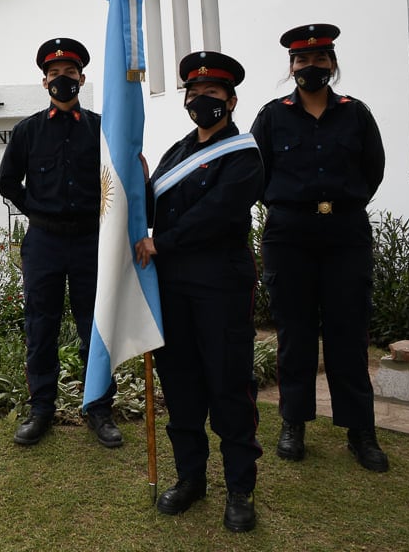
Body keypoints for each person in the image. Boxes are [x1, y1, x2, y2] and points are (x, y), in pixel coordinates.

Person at [135, 51, 264, 533]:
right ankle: (191, 478)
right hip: (172, 288)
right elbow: (152, 199)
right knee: (182, 386)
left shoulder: (245, 154)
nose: (201, 100)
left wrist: (160, 242)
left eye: (212, 93)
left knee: (229, 386)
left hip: (220, 287)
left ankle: (240, 490)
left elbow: (218, 214)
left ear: (230, 100)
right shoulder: (176, 152)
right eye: (195, 93)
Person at [250, 24, 388, 473]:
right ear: (291, 67)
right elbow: (255, 172)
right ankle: (294, 423)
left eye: (320, 59)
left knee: (349, 332)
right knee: (295, 333)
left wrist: (340, 206)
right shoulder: (271, 117)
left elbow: (374, 170)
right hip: (289, 235)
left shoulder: (356, 113)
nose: (312, 67)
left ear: (333, 63)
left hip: (345, 232)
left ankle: (359, 431)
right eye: (302, 60)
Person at [0, 38, 122, 448]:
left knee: (96, 328)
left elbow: (119, 180)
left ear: (82, 79)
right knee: (41, 326)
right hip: (45, 241)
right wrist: (37, 209)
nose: (62, 80)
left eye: (69, 74)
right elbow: (7, 182)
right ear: (44, 81)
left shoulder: (103, 129)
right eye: (54, 75)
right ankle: (41, 410)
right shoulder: (28, 131)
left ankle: (99, 409)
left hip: (90, 240)